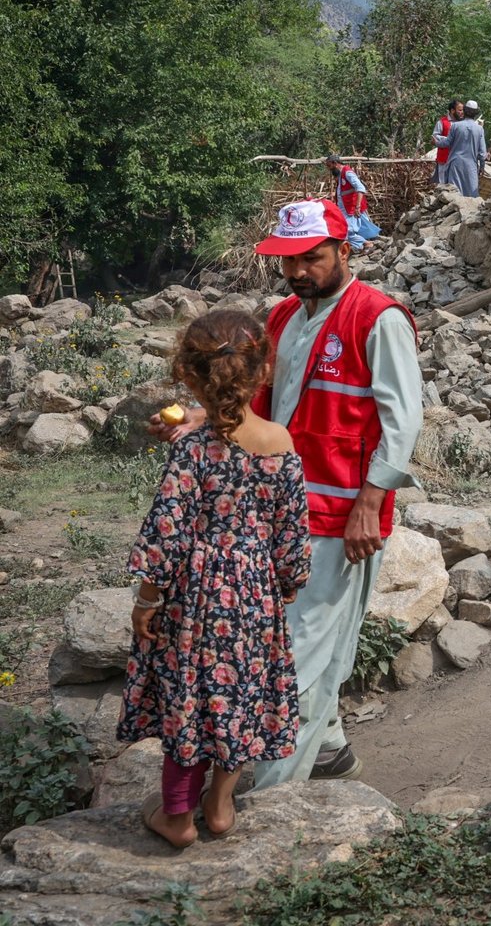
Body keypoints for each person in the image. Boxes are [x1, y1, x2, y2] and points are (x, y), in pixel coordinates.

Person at [150, 199, 422, 783]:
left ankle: (275, 795)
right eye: (289, 261)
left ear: (344, 251)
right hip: (281, 511)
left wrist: (369, 506)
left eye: (312, 259)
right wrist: (202, 416)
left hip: (338, 511)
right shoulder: (282, 319)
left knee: (293, 652)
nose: (298, 272)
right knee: (305, 638)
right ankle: (327, 749)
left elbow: (403, 424)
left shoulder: (379, 319)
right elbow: (254, 396)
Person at [120, 310, 310, 848]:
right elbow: (292, 525)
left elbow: (167, 529)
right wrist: (289, 578)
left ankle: (177, 817)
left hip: (192, 595)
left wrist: (147, 598)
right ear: (263, 371)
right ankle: (221, 805)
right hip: (253, 593)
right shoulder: (279, 440)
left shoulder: (192, 448)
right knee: (241, 693)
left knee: (190, 699)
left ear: (187, 373)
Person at [324, 155, 381, 249]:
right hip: (345, 208)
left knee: (346, 232)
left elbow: (360, 188)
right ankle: (366, 245)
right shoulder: (341, 174)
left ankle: (366, 243)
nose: (329, 169)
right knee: (358, 229)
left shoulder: (347, 173)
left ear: (335, 163)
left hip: (351, 208)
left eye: (329, 166)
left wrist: (357, 206)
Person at [436, 99, 486, 197]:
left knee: (455, 194)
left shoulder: (455, 126)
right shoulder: (479, 129)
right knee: (471, 194)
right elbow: (482, 153)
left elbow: (447, 142)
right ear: (475, 113)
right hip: (471, 166)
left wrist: (437, 142)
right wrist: (482, 167)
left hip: (455, 164)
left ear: (465, 111)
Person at [433, 101, 462, 183]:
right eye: (459, 110)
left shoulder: (462, 123)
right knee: (443, 182)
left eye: (462, 110)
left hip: (457, 159)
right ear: (452, 110)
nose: (462, 112)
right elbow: (435, 136)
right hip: (444, 157)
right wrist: (448, 139)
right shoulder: (442, 122)